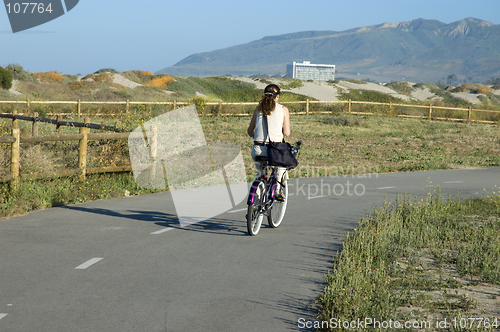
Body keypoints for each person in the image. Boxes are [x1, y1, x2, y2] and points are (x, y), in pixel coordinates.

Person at [247, 84, 291, 200]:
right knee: (281, 165)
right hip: (274, 150)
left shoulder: (258, 109)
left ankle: (258, 190)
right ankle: (277, 190)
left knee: (261, 172)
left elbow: (249, 131)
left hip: (257, 150)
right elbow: (287, 133)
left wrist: (255, 135)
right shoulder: (283, 109)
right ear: (277, 97)